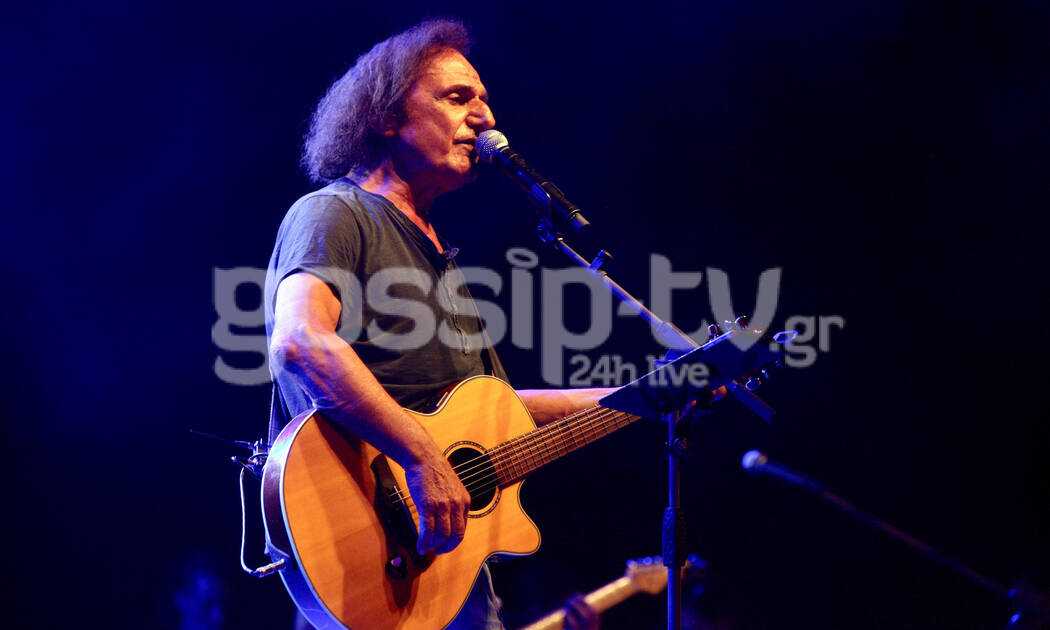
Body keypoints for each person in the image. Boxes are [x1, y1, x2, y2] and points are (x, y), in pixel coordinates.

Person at [265, 19, 612, 629]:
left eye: (484, 101)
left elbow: (499, 414)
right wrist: (423, 458)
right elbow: (300, 342)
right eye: (457, 97)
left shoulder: (436, 253)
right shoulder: (336, 213)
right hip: (366, 555)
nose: (485, 118)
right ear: (386, 116)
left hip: (448, 578)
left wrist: (641, 396)